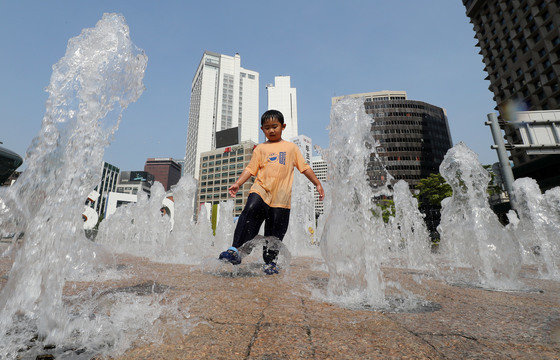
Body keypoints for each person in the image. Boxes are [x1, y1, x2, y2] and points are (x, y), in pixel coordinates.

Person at [219, 109, 325, 274]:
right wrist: (238, 183)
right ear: (262, 129)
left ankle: (270, 263)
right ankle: (235, 250)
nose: (271, 130)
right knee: (249, 211)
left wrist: (317, 183)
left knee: (274, 233)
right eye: (267, 127)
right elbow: (250, 169)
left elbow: (304, 168)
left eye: (275, 126)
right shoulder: (260, 149)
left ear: (283, 126)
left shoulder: (291, 148)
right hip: (261, 190)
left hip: (281, 197)